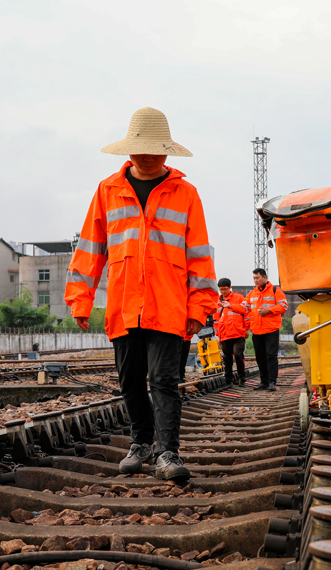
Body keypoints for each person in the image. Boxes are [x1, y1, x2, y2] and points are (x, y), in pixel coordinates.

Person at [65, 107, 218, 481]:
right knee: (130, 381)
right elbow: (91, 248)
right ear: (129, 150)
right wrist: (81, 298)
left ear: (166, 151)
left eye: (154, 149)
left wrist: (199, 307)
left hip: (168, 305)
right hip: (123, 305)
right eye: (141, 149)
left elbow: (199, 255)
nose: (148, 156)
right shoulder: (108, 191)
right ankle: (141, 444)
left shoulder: (185, 193)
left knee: (164, 381)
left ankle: (167, 452)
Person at [242, 268, 287, 391]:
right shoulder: (252, 293)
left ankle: (272, 382)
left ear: (264, 277)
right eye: (254, 278)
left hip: (271, 329)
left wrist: (269, 310)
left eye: (257, 277)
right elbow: (243, 307)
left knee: (271, 356)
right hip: (257, 330)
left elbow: (284, 306)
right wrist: (230, 306)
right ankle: (264, 382)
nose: (255, 280)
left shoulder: (275, 290)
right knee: (260, 357)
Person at [216, 278, 248, 386]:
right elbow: (216, 320)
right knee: (227, 358)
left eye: (225, 289)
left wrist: (247, 329)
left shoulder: (239, 298)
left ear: (230, 287)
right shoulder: (218, 302)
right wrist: (218, 336)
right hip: (225, 335)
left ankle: (242, 379)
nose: (223, 291)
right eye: (221, 289)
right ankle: (228, 380)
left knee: (238, 355)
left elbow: (246, 311)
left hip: (238, 333)